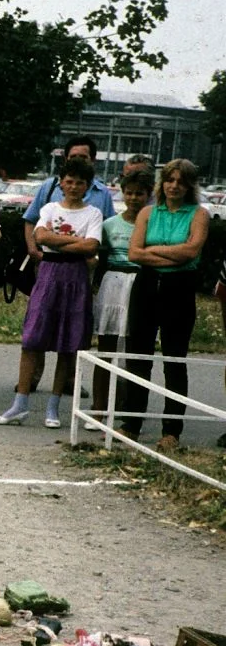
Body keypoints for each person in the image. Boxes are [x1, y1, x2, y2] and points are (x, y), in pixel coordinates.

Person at [0, 157, 102, 429]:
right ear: (61, 183)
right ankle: (20, 404)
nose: (74, 187)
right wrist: (75, 241)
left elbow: (91, 246)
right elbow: (40, 237)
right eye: (69, 181)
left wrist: (59, 241)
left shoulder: (93, 214)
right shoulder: (50, 208)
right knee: (32, 339)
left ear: (87, 186)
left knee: (68, 343)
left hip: (75, 278)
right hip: (49, 274)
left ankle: (53, 406)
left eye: (80, 183)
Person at [119, 158, 210, 450]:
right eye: (170, 180)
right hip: (146, 285)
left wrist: (155, 251)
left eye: (181, 182)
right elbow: (135, 253)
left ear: (190, 186)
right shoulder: (148, 212)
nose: (174, 186)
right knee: (138, 356)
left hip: (179, 288)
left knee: (174, 359)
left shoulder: (199, 214)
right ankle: (131, 422)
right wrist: (171, 254)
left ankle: (172, 430)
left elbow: (191, 251)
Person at [87, 167, 152, 429]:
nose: (134, 198)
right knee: (106, 349)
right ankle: (98, 409)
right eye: (129, 193)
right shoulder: (109, 224)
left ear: (148, 195)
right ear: (122, 193)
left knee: (134, 351)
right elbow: (99, 260)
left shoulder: (151, 225)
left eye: (140, 193)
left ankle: (127, 411)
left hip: (140, 284)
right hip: (112, 284)